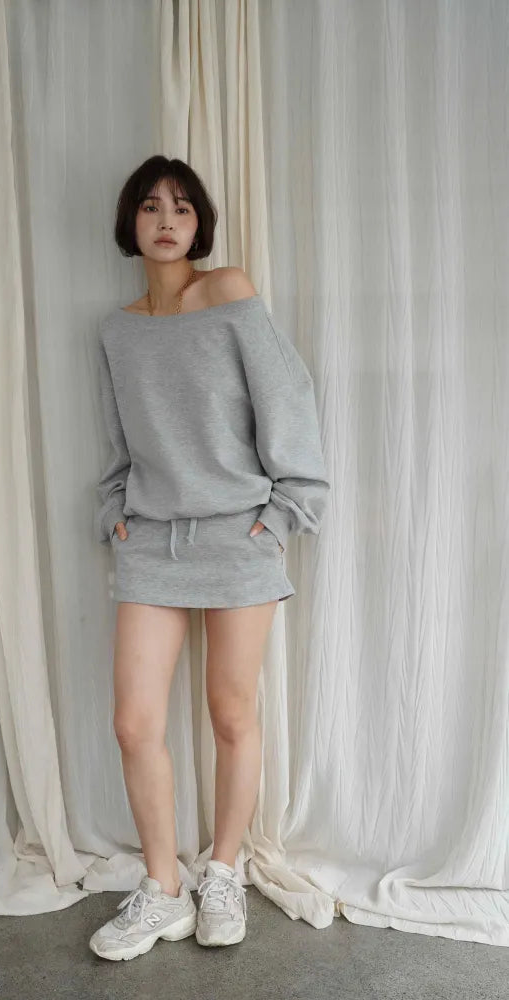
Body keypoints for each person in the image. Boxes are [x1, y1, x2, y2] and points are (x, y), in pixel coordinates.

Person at [89, 155, 330, 961]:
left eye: (183, 207)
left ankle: (223, 872)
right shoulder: (117, 329)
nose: (167, 220)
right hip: (152, 539)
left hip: (238, 536)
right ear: (129, 222)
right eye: (151, 206)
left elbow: (288, 399)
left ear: (200, 225)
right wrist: (115, 511)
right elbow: (119, 440)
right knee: (134, 723)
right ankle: (163, 889)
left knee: (231, 714)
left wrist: (287, 510)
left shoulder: (227, 291)